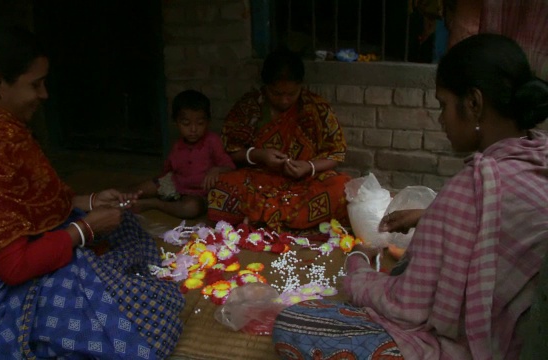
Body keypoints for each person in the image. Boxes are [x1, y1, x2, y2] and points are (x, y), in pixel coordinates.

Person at [272, 33, 548, 359]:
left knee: (295, 322)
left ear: (473, 104)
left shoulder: (472, 190)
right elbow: (493, 229)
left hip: (484, 345)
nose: (441, 118)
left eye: (443, 105)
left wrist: (358, 267)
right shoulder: (539, 155)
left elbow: (406, 307)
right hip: (524, 338)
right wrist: (428, 216)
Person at [0, 25, 184, 359]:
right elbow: (14, 268)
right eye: (35, 84)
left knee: (125, 227)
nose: (44, 95)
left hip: (32, 245)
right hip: (0, 283)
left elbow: (31, 204)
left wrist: (92, 201)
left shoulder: (5, 130)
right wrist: (86, 229)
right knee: (148, 325)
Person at [207, 48, 351, 232]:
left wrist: (309, 166)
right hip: (259, 178)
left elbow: (336, 154)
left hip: (305, 182)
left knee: (342, 187)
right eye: (276, 93)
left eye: (291, 94)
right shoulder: (249, 107)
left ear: (301, 86)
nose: (284, 100)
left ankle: (261, 217)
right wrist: (259, 155)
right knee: (220, 187)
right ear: (266, 86)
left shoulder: (316, 109)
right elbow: (231, 151)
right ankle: (293, 220)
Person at [130, 89, 235, 219]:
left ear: (208, 122)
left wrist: (217, 170)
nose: (193, 129)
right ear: (177, 122)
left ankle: (155, 204)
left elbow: (230, 167)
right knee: (140, 189)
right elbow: (167, 170)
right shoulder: (178, 145)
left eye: (200, 123)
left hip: (199, 193)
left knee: (191, 209)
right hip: (176, 183)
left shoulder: (212, 141)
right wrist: (158, 184)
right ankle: (113, 199)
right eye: (186, 124)